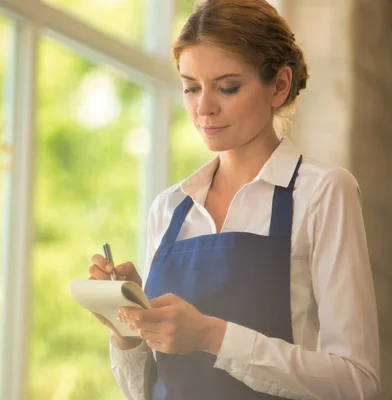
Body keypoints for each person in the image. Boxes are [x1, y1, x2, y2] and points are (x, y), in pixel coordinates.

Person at [87, 0, 381, 399]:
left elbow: (355, 381)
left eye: (227, 87)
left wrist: (212, 335)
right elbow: (147, 390)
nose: (203, 108)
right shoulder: (171, 207)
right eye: (190, 88)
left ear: (278, 85)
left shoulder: (323, 192)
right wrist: (128, 327)